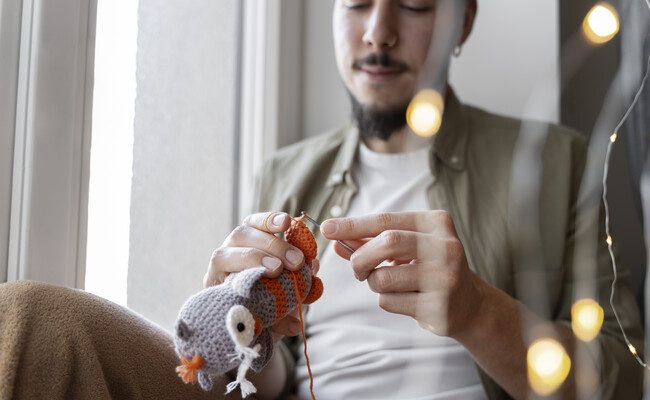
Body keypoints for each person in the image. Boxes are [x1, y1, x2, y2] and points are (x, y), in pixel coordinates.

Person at [0, 0, 643, 399]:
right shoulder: (287, 175)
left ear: (461, 20)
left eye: (414, 5)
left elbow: (621, 377)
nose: (378, 32)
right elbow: (271, 380)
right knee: (30, 325)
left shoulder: (560, 163)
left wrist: (477, 313)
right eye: (356, 3)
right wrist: (242, 336)